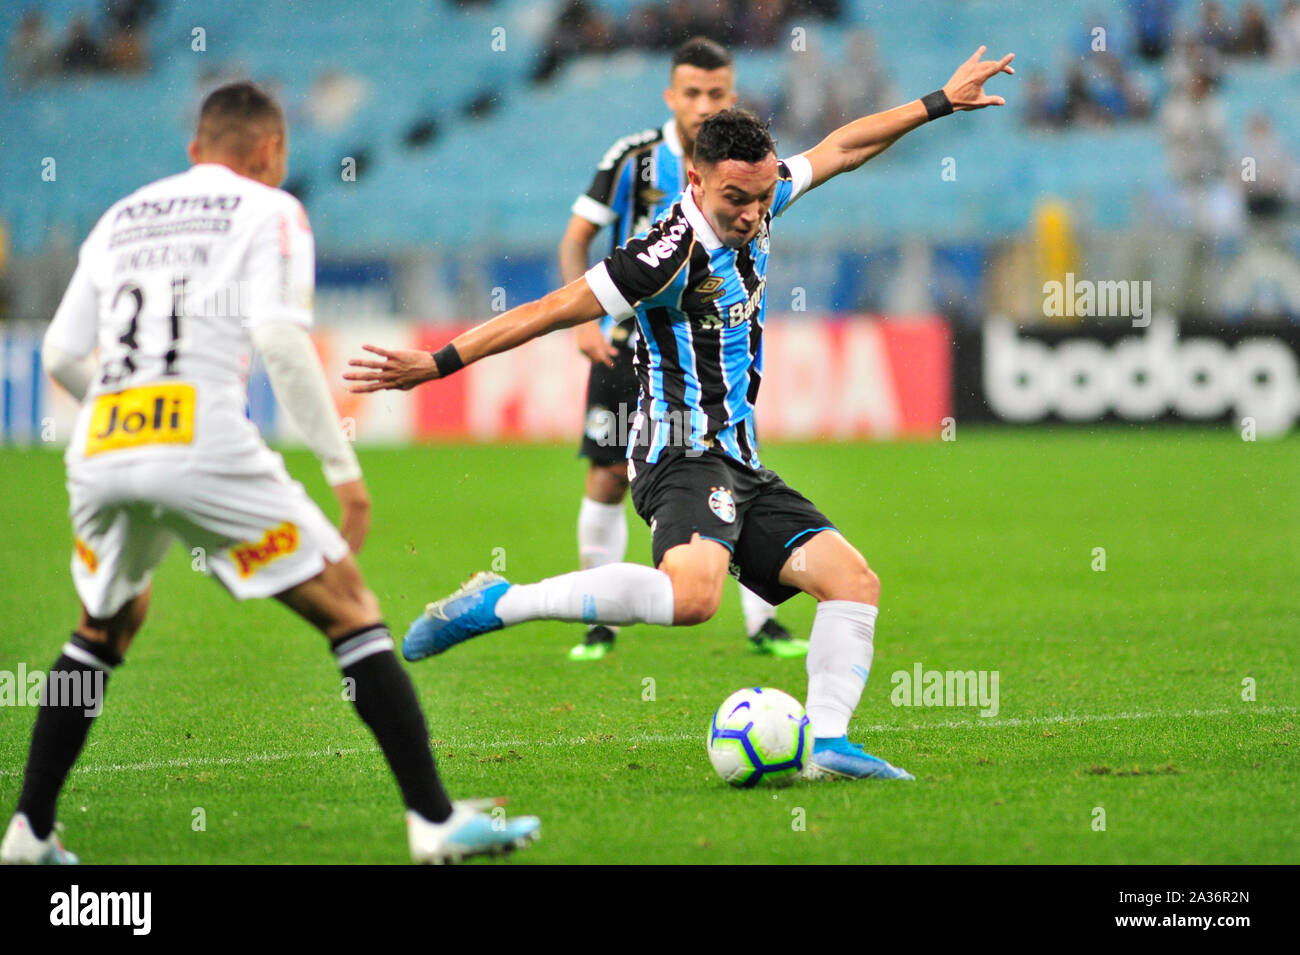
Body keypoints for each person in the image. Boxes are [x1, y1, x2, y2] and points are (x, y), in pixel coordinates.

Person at [346, 47, 1015, 781]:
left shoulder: (761, 196)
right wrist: (437, 363)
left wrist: (942, 100)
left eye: (762, 196)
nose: (753, 212)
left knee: (853, 582)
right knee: (695, 597)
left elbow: (843, 147)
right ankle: (502, 600)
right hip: (677, 452)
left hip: (740, 458)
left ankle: (824, 741)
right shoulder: (662, 254)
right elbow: (545, 309)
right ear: (695, 180)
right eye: (736, 198)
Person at [1, 82, 538, 865]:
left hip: (103, 446)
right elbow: (281, 345)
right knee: (351, 604)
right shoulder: (271, 209)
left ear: (195, 151)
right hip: (204, 438)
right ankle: (433, 821)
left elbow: (58, 355)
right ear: (272, 154)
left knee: (104, 625)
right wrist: (341, 469)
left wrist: (120, 428)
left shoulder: (121, 216)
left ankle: (29, 830)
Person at [562, 36, 803, 661]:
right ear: (671, 95)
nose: (702, 104)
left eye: (715, 93)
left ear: (731, 95)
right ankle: (600, 620)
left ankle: (763, 623)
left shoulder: (739, 164)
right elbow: (577, 239)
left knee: (731, 466)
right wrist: (581, 323)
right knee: (608, 474)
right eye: (691, 93)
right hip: (623, 341)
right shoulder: (633, 158)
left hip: (700, 344)